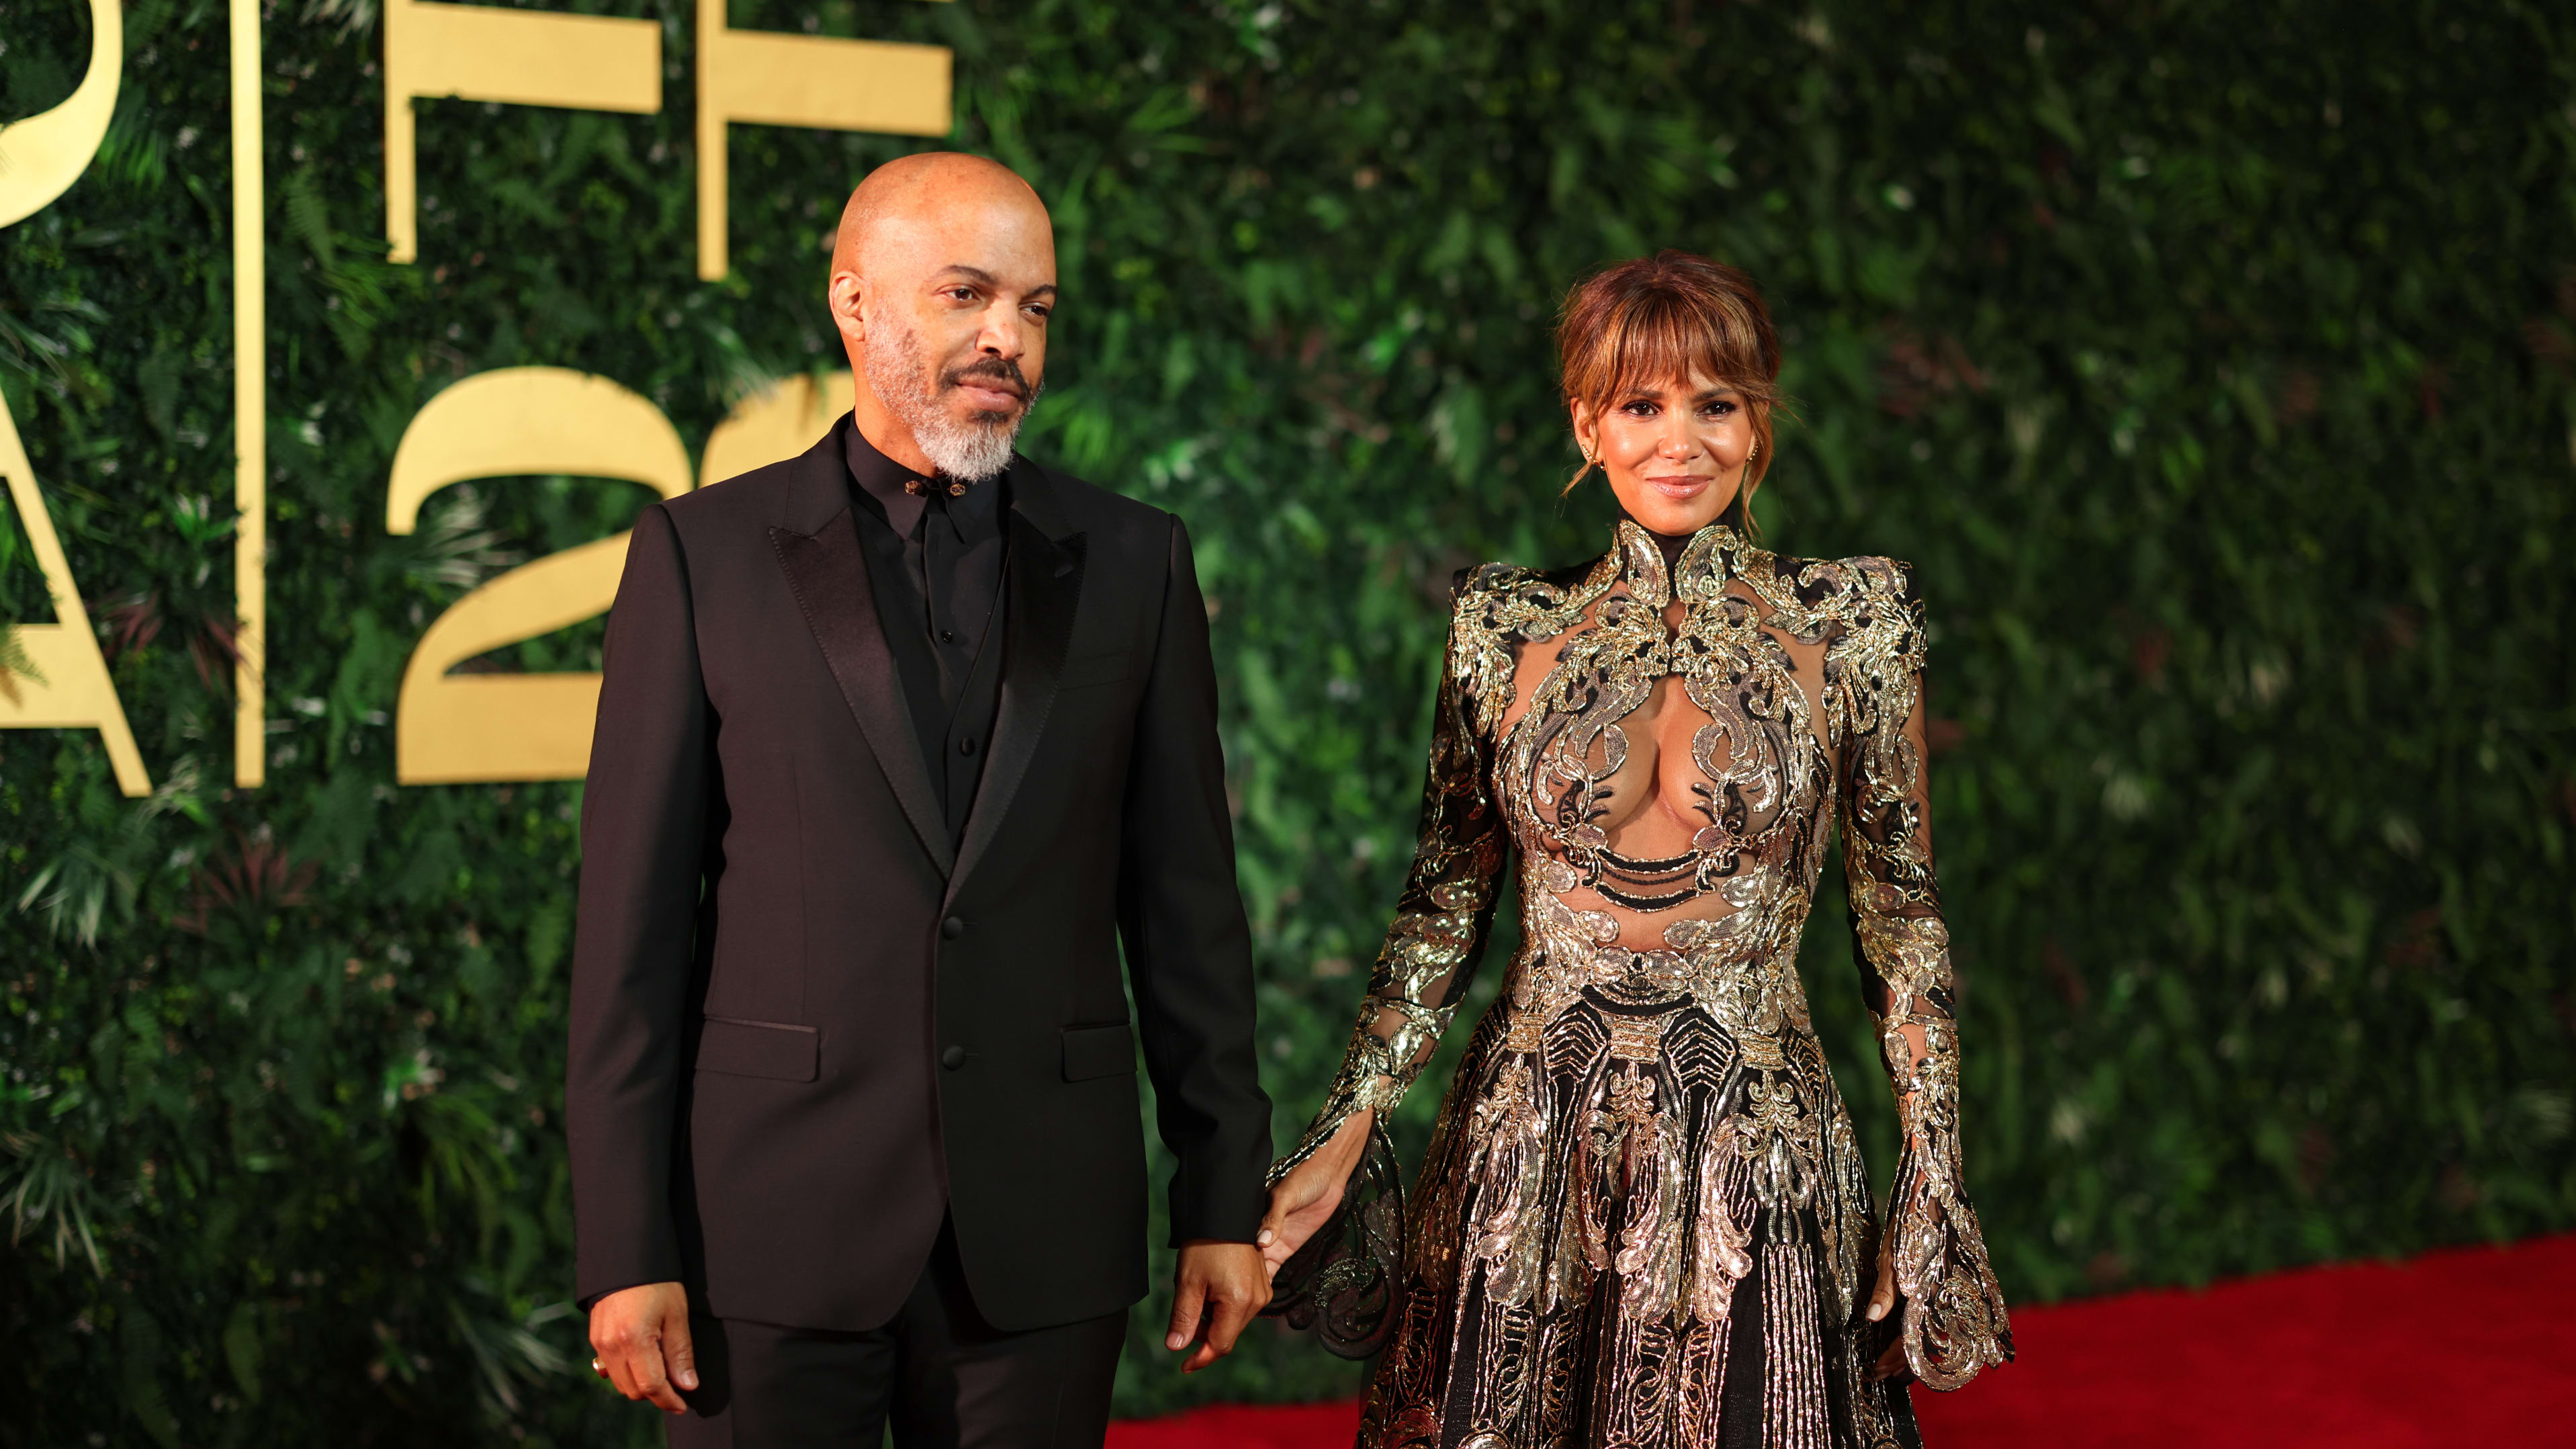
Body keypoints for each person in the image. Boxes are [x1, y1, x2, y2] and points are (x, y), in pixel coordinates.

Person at [567, 152, 1273, 1448]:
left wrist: (1223, 1197)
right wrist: (624, 1242)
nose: (1007, 337)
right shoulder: (699, 556)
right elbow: (632, 933)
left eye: (1037, 307)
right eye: (966, 294)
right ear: (853, 302)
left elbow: (1187, 912)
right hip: (766, 1231)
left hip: (1044, 1237)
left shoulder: (1135, 560)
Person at [1259, 252, 2012, 1446]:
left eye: (1717, 404)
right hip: (1526, 1139)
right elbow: (1445, 900)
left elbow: (1901, 915)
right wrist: (1351, 1124)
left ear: (1758, 423)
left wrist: (1936, 1170)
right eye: (1642, 405)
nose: (1682, 441)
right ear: (1586, 423)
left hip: (1755, 1141)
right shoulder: (1503, 624)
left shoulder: (1855, 619)